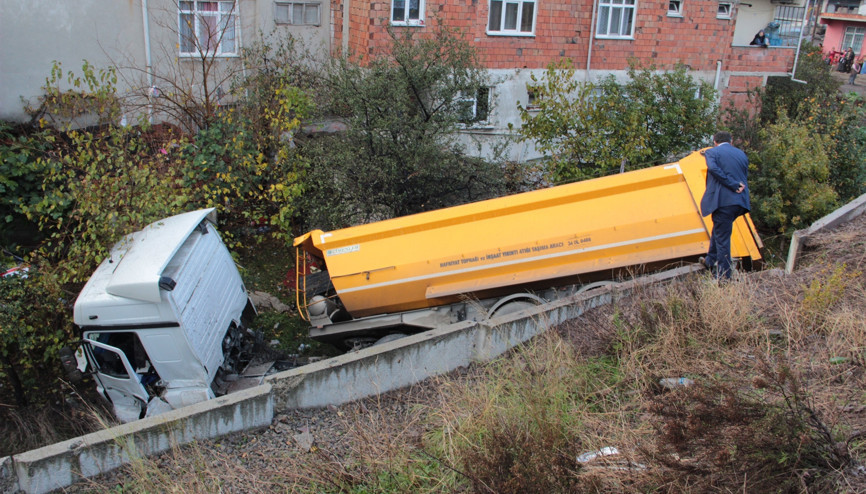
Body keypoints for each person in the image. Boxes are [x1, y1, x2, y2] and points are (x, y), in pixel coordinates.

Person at [699, 131, 750, 280]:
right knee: (720, 228)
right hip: (740, 202)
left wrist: (732, 184)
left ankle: (724, 277)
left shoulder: (712, 153)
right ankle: (710, 260)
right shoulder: (741, 154)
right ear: (731, 141)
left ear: (715, 142)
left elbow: (714, 169)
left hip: (723, 202)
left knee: (723, 240)